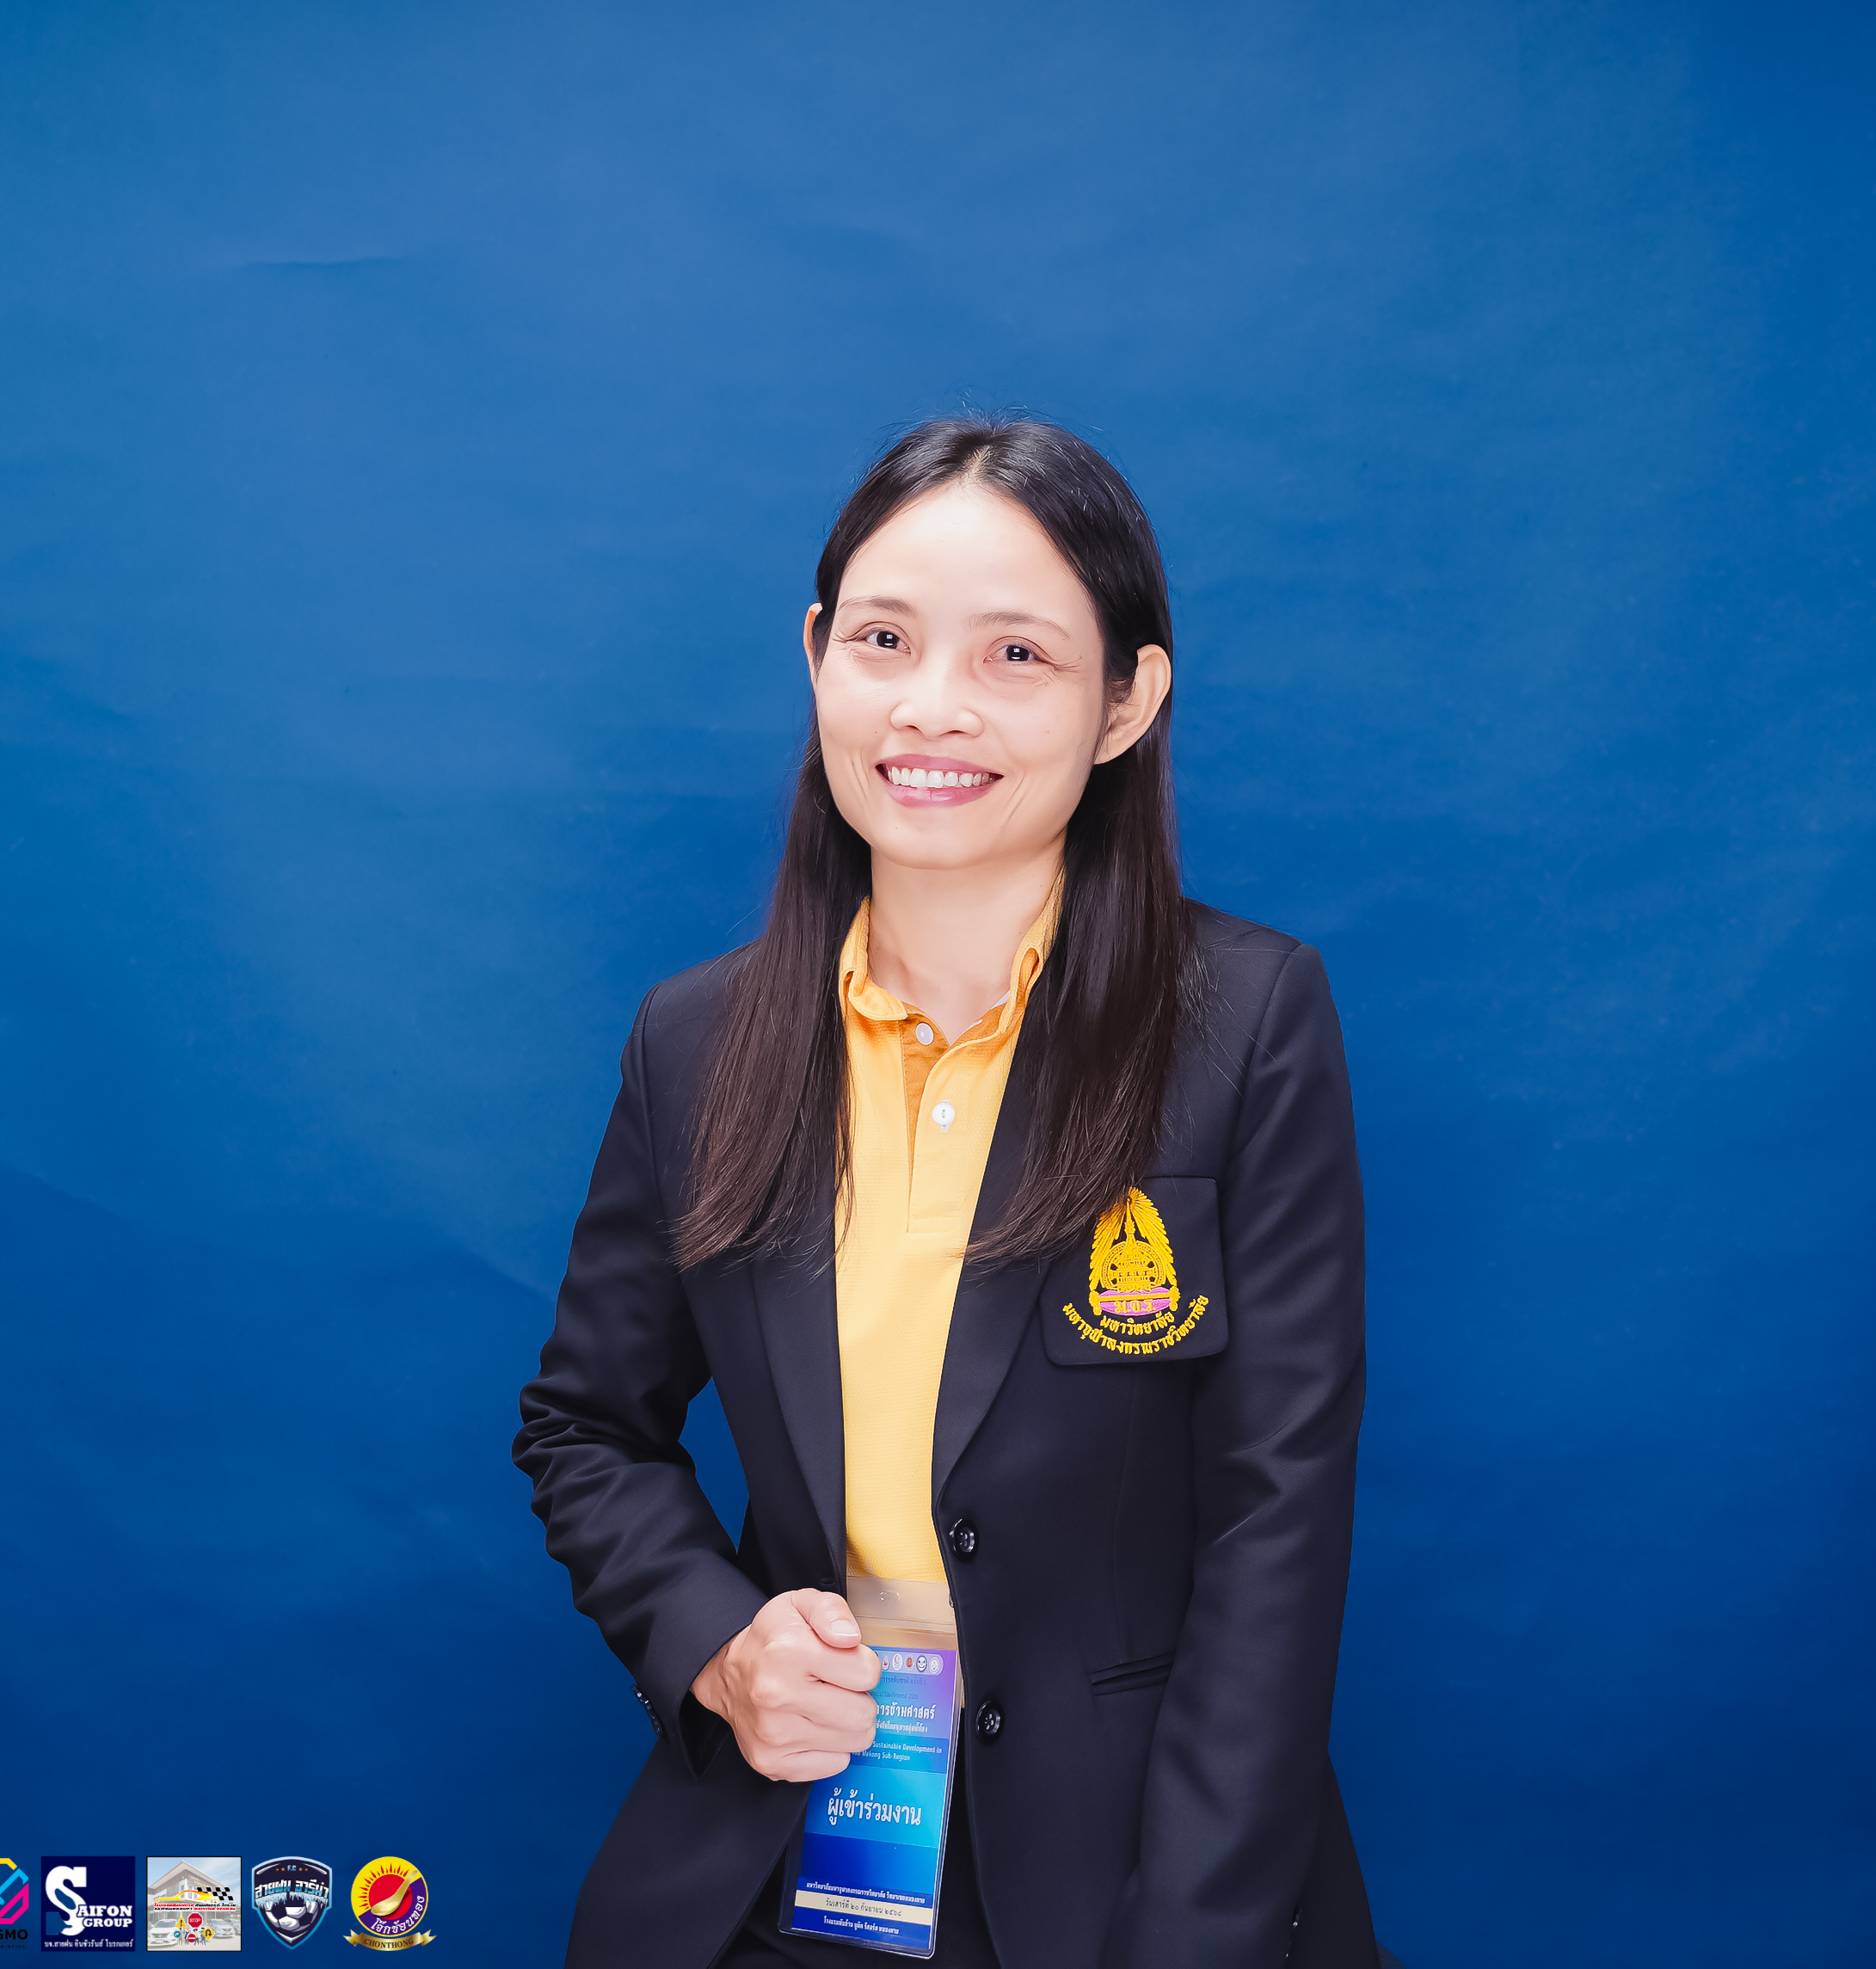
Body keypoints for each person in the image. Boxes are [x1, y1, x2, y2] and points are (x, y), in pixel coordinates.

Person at [514, 418, 1382, 1968]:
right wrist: (718, 1644)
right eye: (885, 641)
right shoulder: (693, 1043)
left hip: (1134, 1874)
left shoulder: (1243, 1024)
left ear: (1128, 702)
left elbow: (1278, 1527)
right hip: (801, 1844)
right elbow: (587, 1425)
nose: (931, 707)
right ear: (816, 657)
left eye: (1016, 656)